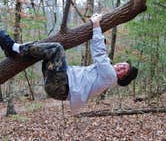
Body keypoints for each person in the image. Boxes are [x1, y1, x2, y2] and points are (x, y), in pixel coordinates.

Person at [0, 14, 138, 113]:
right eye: (122, 65)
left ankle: (13, 48)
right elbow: (104, 58)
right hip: (59, 85)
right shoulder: (107, 75)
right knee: (46, 51)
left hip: (61, 86)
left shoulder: (110, 76)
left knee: (56, 48)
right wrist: (100, 37)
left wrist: (96, 25)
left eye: (122, 71)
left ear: (120, 78)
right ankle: (17, 50)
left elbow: (100, 55)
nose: (119, 67)